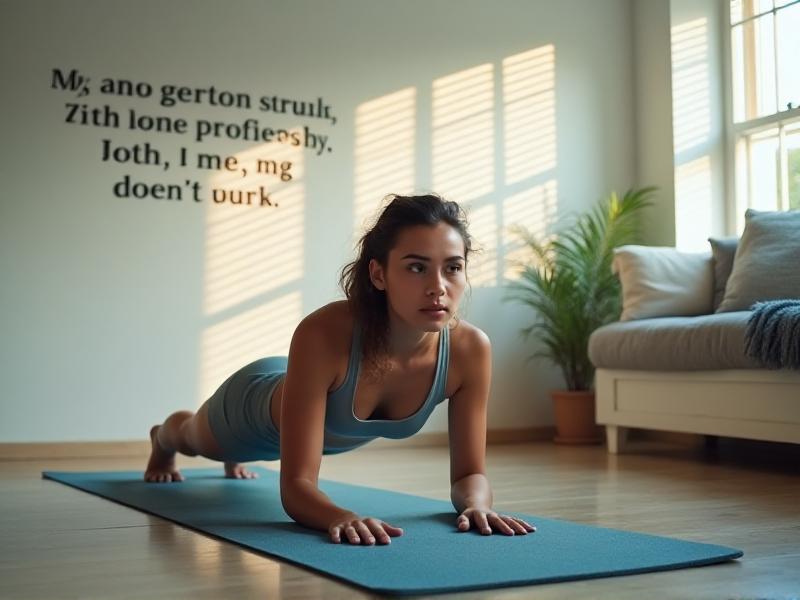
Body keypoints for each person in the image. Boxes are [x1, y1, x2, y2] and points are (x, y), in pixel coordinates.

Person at [144, 193, 536, 545]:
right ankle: (162, 438)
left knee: (237, 451)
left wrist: (477, 506)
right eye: (417, 268)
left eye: (452, 268)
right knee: (194, 438)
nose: (438, 286)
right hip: (250, 410)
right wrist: (342, 516)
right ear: (378, 274)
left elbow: (469, 474)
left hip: (303, 390)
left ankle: (227, 455)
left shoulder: (470, 349)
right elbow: (296, 486)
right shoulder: (323, 332)